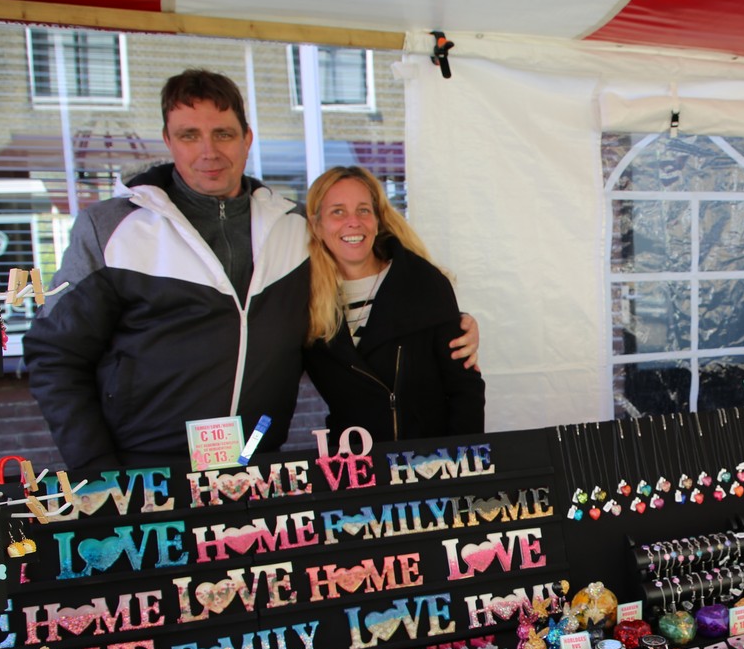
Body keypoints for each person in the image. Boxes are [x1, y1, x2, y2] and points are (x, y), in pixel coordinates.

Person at [24, 69, 478, 471]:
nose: (209, 152)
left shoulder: (293, 227)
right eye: (189, 135)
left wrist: (450, 325)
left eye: (223, 134)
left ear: (247, 138)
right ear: (168, 140)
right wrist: (96, 468)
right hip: (143, 469)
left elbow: (371, 296)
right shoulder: (111, 229)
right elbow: (54, 355)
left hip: (256, 465)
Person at [302, 165, 484, 440]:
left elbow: (465, 389)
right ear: (317, 225)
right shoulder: (305, 301)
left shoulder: (423, 282)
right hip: (356, 462)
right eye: (337, 212)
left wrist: (459, 459)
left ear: (377, 220)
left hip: (429, 459)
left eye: (363, 210)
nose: (353, 221)